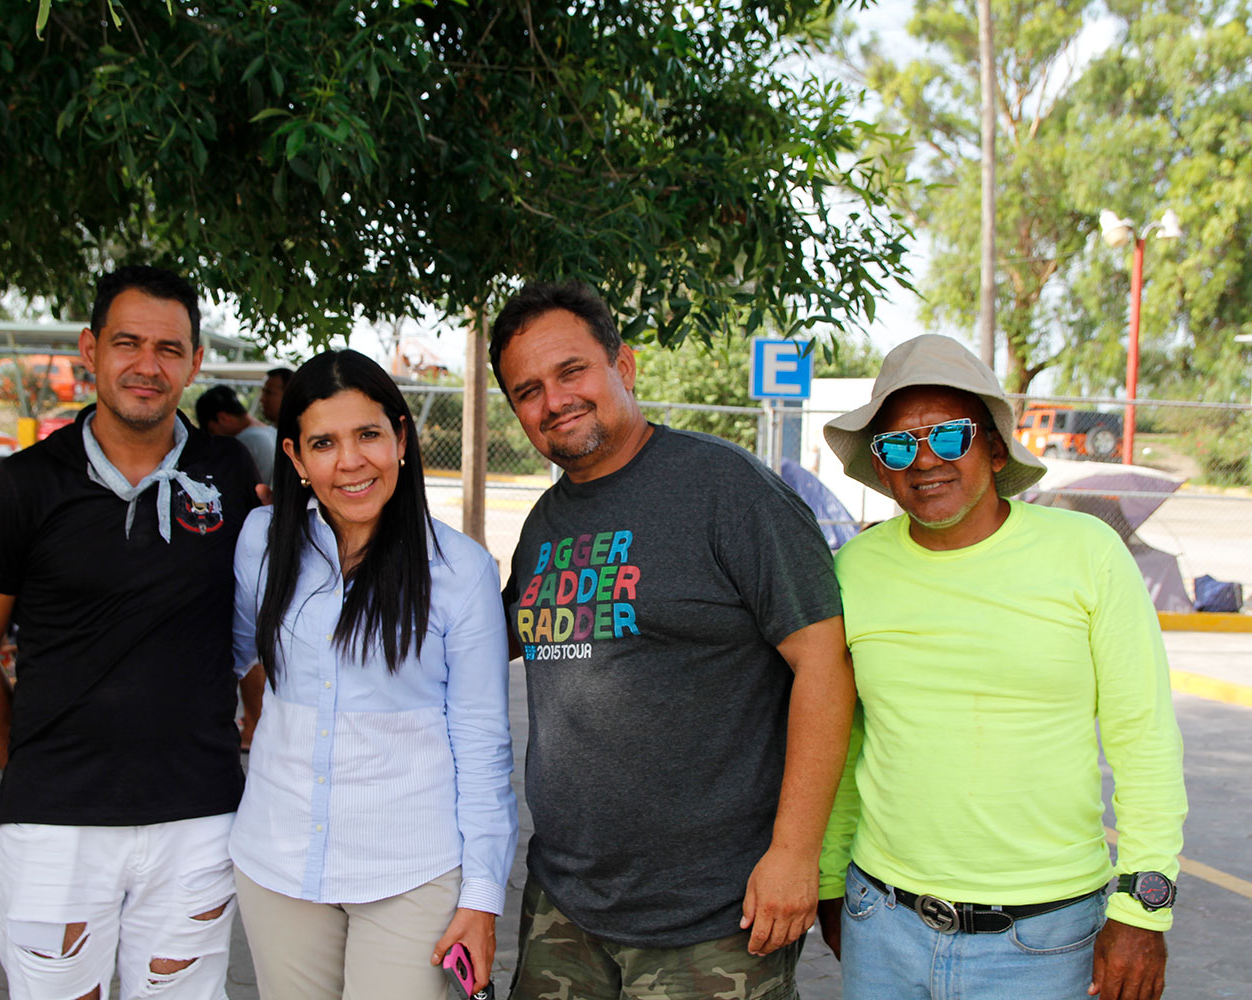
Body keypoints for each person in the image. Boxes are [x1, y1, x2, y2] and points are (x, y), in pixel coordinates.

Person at [490, 281, 855, 999]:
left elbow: (825, 663)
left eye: (572, 371)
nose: (554, 400)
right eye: (527, 390)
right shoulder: (544, 525)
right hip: (563, 907)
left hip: (713, 915)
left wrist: (795, 852)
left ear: (623, 367)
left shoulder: (729, 490)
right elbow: (485, 640)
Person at [816, 334, 1187, 1000]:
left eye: (948, 436)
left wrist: (1142, 909)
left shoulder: (1087, 554)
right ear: (882, 466)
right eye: (898, 445)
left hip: (1042, 941)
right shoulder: (855, 570)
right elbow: (847, 744)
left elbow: (1145, 739)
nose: (924, 460)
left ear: (993, 446)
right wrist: (828, 885)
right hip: (882, 926)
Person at [0, 264, 262, 1000]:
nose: (147, 366)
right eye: (127, 343)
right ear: (90, 349)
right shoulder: (23, 483)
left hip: (199, 816)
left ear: (195, 361)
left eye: (168, 349)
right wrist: (25, 765)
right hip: (56, 827)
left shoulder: (232, 473)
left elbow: (255, 631)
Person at [228, 349, 515, 999]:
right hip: (278, 864)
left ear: (401, 440)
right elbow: (226, 658)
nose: (350, 461)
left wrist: (482, 898)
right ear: (296, 460)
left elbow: (482, 744)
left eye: (368, 435)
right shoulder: (260, 543)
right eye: (324, 443)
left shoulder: (460, 571)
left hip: (412, 873)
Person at [195, 384, 277, 484]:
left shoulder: (241, 443)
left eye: (211, 430)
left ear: (222, 418)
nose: (213, 438)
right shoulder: (272, 432)